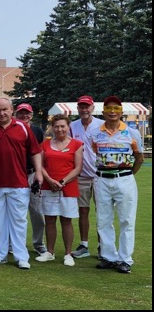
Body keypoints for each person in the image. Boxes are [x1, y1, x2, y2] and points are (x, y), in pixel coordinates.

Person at [0, 98, 42, 270]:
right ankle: (0, 253)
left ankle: (21, 256)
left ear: (11, 110)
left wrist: (39, 172)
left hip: (18, 182)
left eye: (5, 109)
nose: (1, 113)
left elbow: (35, 151)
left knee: (19, 220)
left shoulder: (22, 127)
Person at [88, 96, 144, 274]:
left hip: (124, 179)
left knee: (127, 220)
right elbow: (96, 152)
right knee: (103, 220)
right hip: (102, 179)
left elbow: (139, 157)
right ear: (103, 112)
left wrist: (127, 175)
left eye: (116, 109)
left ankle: (125, 259)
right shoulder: (95, 133)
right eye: (109, 109)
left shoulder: (132, 132)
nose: (113, 112)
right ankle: (108, 256)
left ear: (121, 112)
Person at [36, 114, 83, 267]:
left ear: (68, 127)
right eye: (56, 126)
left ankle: (68, 254)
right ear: (52, 128)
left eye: (62, 126)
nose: (59, 129)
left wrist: (62, 182)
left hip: (68, 187)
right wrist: (50, 180)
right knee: (49, 220)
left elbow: (78, 168)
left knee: (66, 221)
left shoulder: (76, 144)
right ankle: (49, 252)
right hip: (49, 186)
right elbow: (41, 165)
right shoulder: (45, 144)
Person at [69, 95, 104, 259]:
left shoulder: (101, 125)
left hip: (100, 175)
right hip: (81, 176)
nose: (84, 110)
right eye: (81, 107)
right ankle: (84, 245)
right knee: (83, 211)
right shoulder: (72, 126)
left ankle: (102, 246)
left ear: (92, 108)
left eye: (87, 107)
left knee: (103, 212)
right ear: (78, 108)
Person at [14, 103, 47, 256]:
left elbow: (39, 152)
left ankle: (38, 243)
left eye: (27, 113)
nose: (24, 116)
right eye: (21, 113)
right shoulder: (12, 128)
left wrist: (39, 172)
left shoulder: (36, 130)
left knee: (36, 210)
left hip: (32, 173)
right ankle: (11, 243)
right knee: (14, 212)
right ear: (16, 113)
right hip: (15, 174)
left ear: (32, 115)